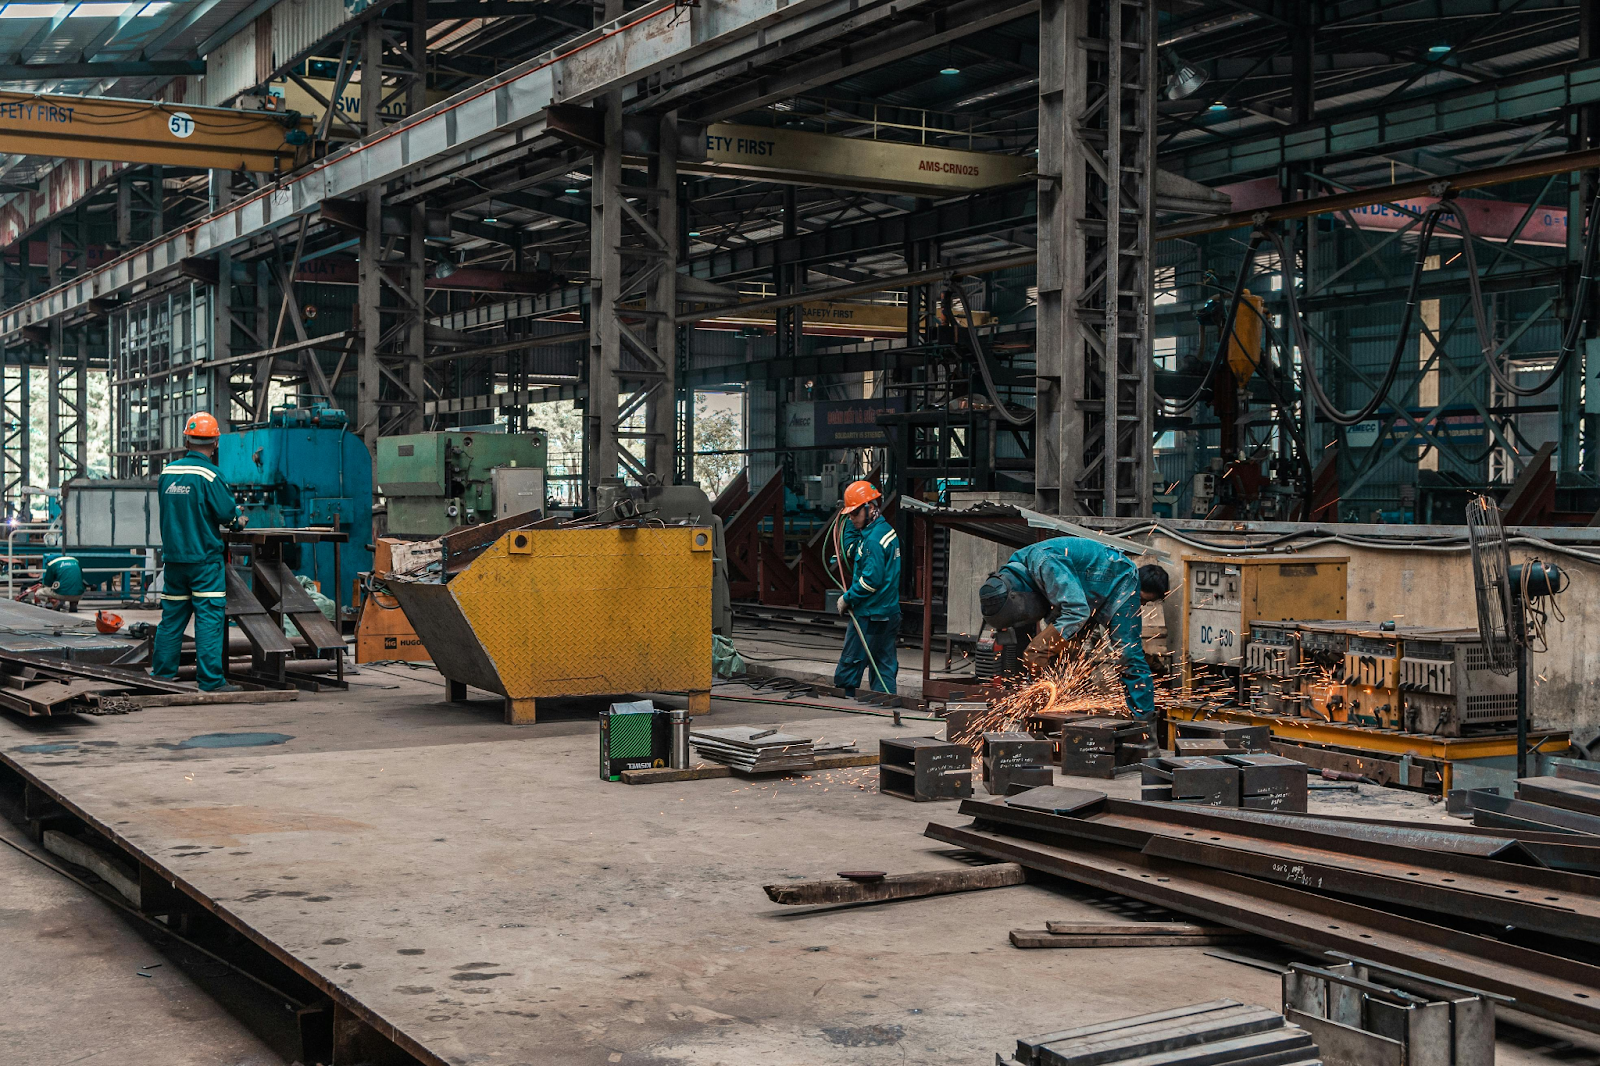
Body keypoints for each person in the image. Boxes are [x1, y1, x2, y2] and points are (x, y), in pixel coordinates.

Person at [978, 536, 1170, 720]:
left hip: (1120, 582)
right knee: (1065, 653)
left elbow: (1077, 612)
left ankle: (1144, 726)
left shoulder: (1045, 564)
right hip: (1088, 594)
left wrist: (1039, 648)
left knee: (1128, 654)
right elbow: (1063, 616)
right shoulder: (1021, 568)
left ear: (1016, 597)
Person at [152, 412, 245, 692]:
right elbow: (227, 516)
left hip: (174, 560)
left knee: (171, 619)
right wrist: (238, 520)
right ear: (215, 442)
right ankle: (211, 681)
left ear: (186, 439)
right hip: (204, 561)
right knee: (208, 618)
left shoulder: (167, 474)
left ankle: (162, 675)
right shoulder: (210, 475)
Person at [831, 480, 902, 696]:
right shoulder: (883, 530)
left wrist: (848, 598)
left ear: (870, 508)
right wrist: (847, 520)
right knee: (883, 664)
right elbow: (852, 550)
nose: (851, 519)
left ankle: (845, 704)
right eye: (849, 515)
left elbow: (870, 581)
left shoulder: (872, 541)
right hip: (889, 613)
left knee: (851, 662)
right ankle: (885, 704)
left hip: (870, 615)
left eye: (854, 514)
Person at [21, 553, 85, 611]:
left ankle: (55, 601)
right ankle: (73, 604)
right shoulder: (75, 561)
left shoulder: (52, 564)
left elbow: (47, 583)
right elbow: (80, 578)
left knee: (38, 593)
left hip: (61, 594)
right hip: (79, 595)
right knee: (73, 586)